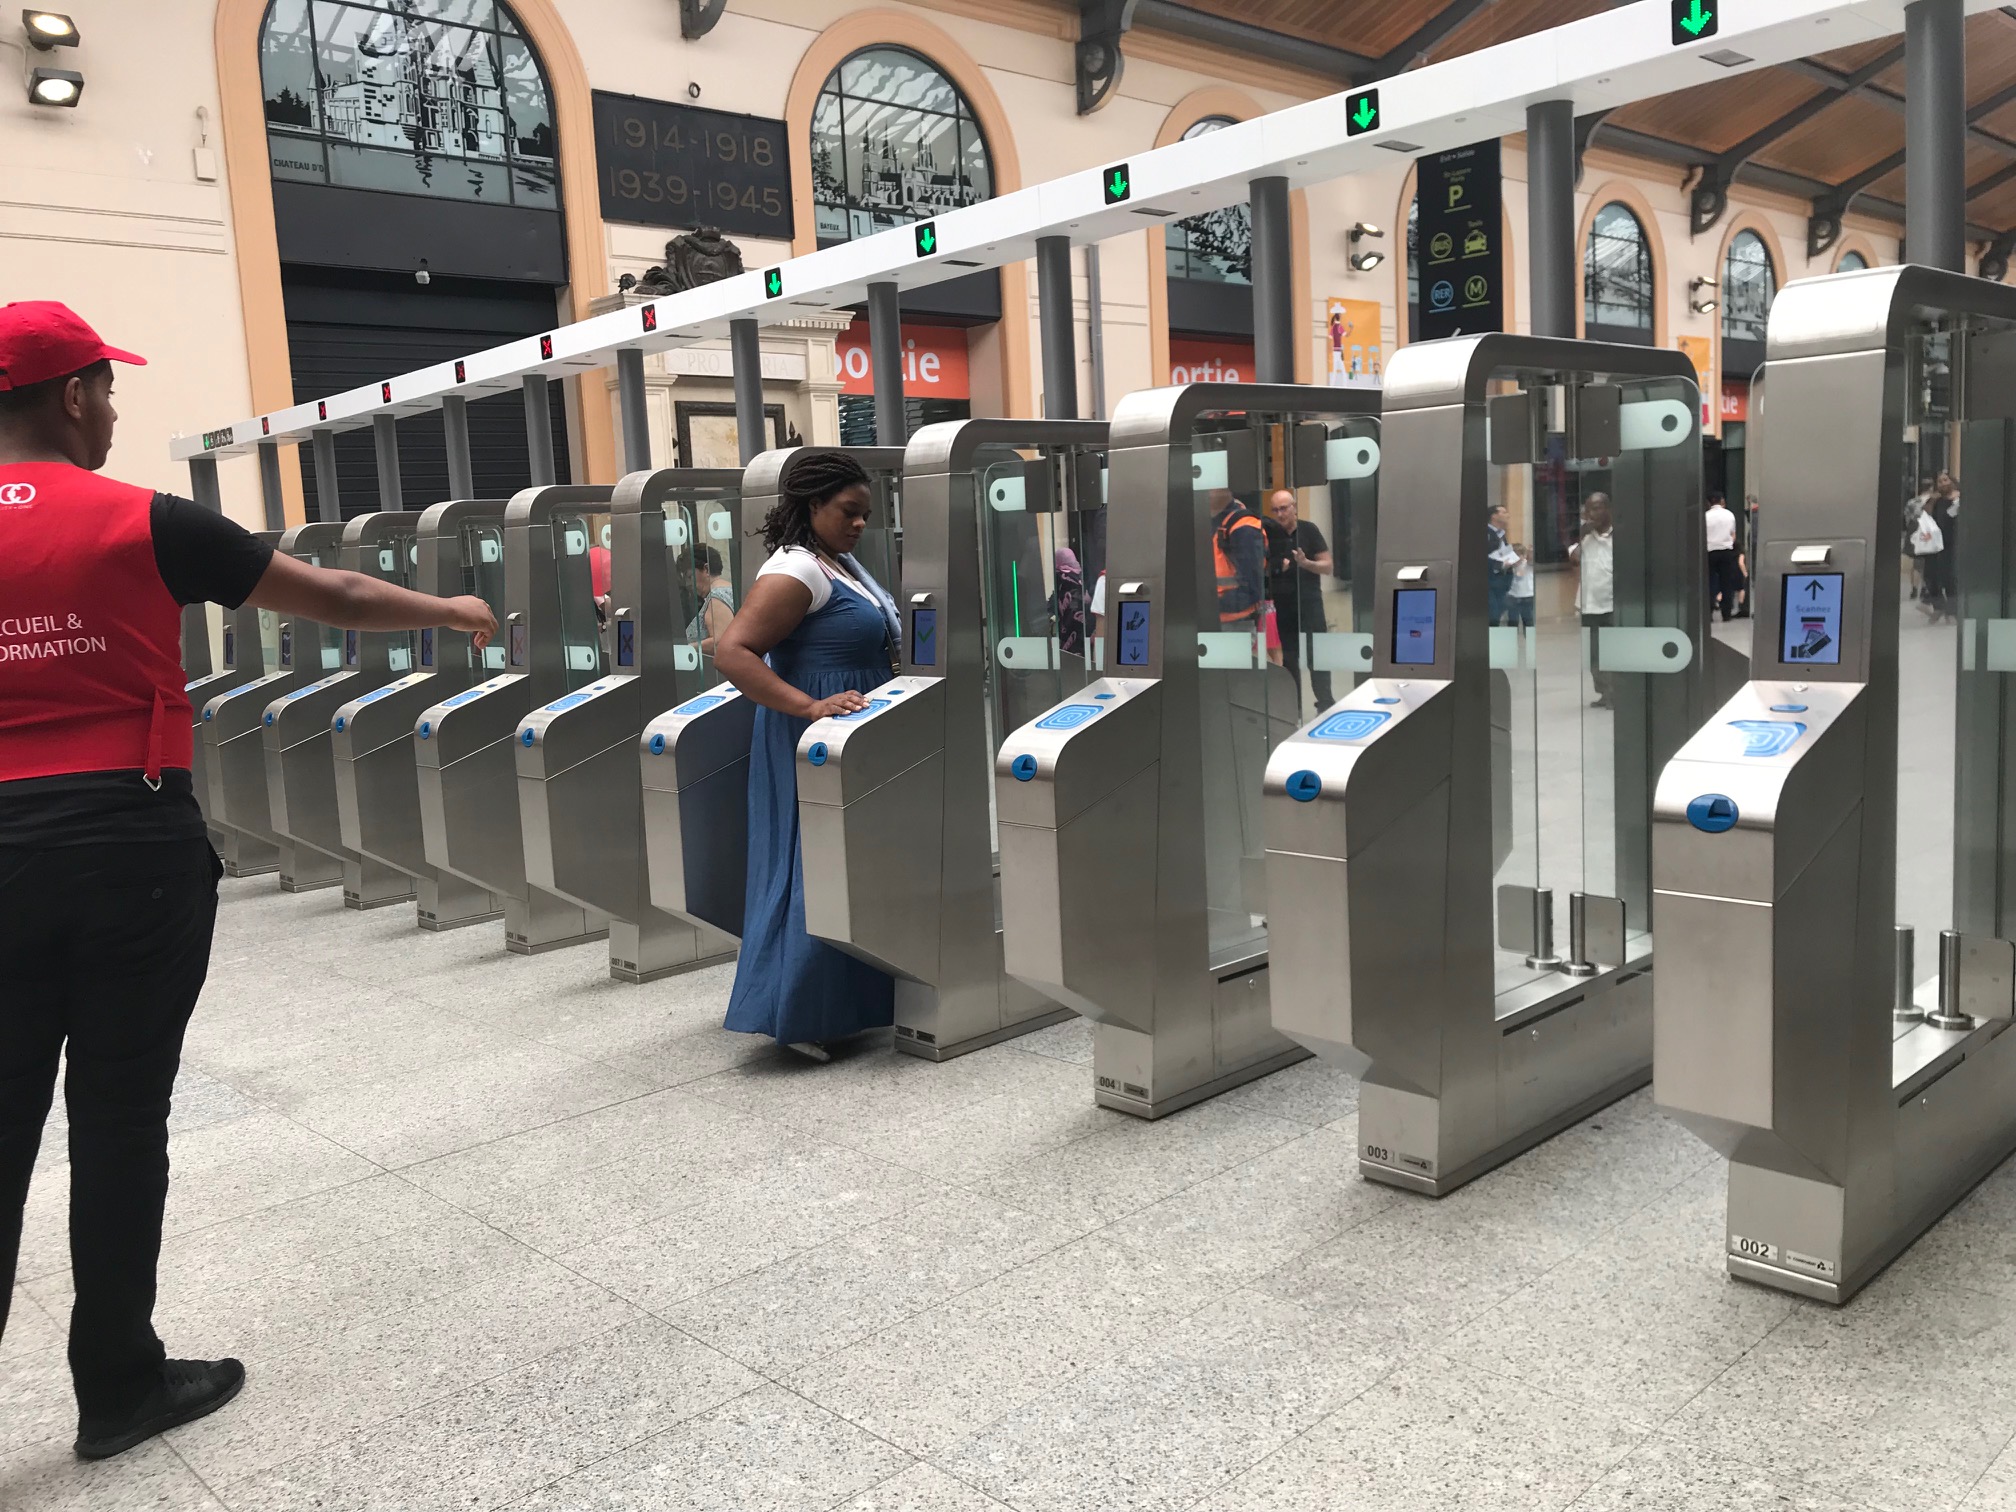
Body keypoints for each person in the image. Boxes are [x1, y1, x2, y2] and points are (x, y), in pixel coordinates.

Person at [0, 301, 496, 1461]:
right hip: (128, 845)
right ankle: (117, 1386)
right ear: (71, 394)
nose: (112, 410)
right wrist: (452, 610)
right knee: (120, 1119)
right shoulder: (145, 520)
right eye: (106, 388)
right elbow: (340, 598)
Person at [714, 451, 898, 1063]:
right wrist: (809, 706)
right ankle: (799, 1009)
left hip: (844, 732)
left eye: (866, 514)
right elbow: (733, 651)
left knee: (840, 860)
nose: (859, 523)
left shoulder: (835, 564)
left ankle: (847, 1003)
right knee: (809, 862)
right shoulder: (796, 569)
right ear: (813, 504)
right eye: (848, 511)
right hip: (812, 736)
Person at [1266, 489, 1335, 710]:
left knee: (1317, 655)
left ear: (1294, 507)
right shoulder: (1270, 535)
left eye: (1284, 508)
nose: (1280, 514)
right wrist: (1277, 568)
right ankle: (1292, 709)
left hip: (1309, 601)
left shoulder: (1309, 530)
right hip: (1283, 605)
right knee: (1288, 659)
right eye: (1275, 510)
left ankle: (1325, 704)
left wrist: (1307, 564)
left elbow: (1327, 566)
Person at [1570, 492, 1616, 709]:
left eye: (1596, 508)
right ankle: (1604, 692)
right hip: (1589, 605)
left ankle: (1615, 693)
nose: (1592, 514)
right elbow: (1574, 558)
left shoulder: (1619, 535)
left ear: (1608, 509)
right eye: (1588, 510)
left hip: (1612, 604)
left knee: (1612, 652)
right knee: (1593, 654)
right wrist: (1582, 536)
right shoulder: (1586, 537)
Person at [1210, 489, 1267, 639]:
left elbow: (1252, 587)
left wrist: (1210, 604)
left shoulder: (1244, 527)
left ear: (1226, 489)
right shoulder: (1209, 522)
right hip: (1211, 620)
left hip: (1235, 624)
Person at [1919, 470, 1960, 623]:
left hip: (1952, 544)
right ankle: (1939, 606)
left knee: (1950, 578)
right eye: (1940, 481)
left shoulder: (1959, 500)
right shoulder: (1936, 501)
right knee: (1931, 576)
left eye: (1945, 480)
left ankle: (1952, 611)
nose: (1943, 484)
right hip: (1935, 544)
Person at [686, 544, 735, 656]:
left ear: (706, 569)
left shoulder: (716, 598)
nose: (688, 584)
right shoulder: (729, 590)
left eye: (690, 576)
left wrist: (684, 649)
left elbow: (720, 642)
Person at [1704, 490, 1741, 622]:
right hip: (1726, 552)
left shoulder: (1706, 516)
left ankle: (1708, 612)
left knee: (1709, 582)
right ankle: (1726, 613)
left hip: (1710, 551)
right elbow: (1733, 535)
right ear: (1722, 501)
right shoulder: (1729, 515)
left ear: (1709, 502)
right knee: (1726, 582)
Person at [1486, 503, 1517, 627]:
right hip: (1489, 581)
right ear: (1494, 516)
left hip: (1502, 581)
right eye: (1503, 512)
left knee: (1499, 612)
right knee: (1492, 615)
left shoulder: (1501, 534)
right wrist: (1499, 565)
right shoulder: (1487, 533)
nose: (1507, 515)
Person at [1504, 542, 1536, 628]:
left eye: (1518, 555)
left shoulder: (1527, 564)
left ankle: (1529, 636)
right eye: (1513, 556)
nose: (1516, 559)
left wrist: (1530, 551)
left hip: (1528, 596)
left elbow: (1531, 560)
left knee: (1528, 620)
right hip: (1512, 597)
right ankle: (1512, 636)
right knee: (1512, 621)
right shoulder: (1509, 567)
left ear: (1523, 556)